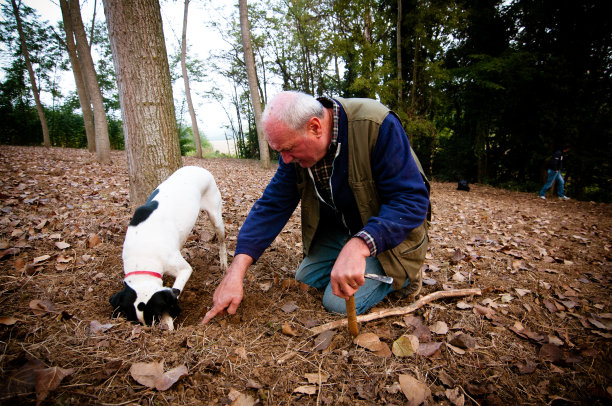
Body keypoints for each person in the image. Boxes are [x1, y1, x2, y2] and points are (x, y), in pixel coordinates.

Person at [201, 91, 430, 324]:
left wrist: (360, 245)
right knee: (306, 279)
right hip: (343, 228)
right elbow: (272, 205)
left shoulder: (376, 126)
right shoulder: (295, 148)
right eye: (280, 151)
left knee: (337, 303)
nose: (286, 160)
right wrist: (235, 272)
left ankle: (406, 277)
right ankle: (349, 253)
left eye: (288, 149)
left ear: (315, 127)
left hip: (391, 236)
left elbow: (411, 200)